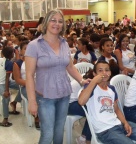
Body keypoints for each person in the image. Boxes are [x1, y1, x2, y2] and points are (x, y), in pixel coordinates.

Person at [25, 9, 89, 144]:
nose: (57, 24)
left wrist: (82, 80)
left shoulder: (64, 43)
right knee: (47, 134)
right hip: (45, 97)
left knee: (59, 131)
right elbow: (29, 75)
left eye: (60, 21)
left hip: (64, 95)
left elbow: (70, 66)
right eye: (53, 20)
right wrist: (32, 101)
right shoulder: (34, 45)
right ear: (46, 22)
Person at [78, 60, 136, 144]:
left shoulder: (111, 88)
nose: (104, 72)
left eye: (107, 70)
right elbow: (81, 101)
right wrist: (93, 81)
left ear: (110, 72)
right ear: (94, 74)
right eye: (100, 70)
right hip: (105, 130)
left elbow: (117, 109)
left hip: (118, 124)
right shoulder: (91, 86)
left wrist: (125, 122)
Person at [0, 47, 14, 127]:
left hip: (6, 82)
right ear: (11, 54)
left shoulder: (1, 59)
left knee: (20, 85)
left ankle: (14, 102)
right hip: (2, 84)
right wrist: (6, 90)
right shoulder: (9, 63)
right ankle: (5, 119)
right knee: (6, 98)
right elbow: (7, 77)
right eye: (13, 53)